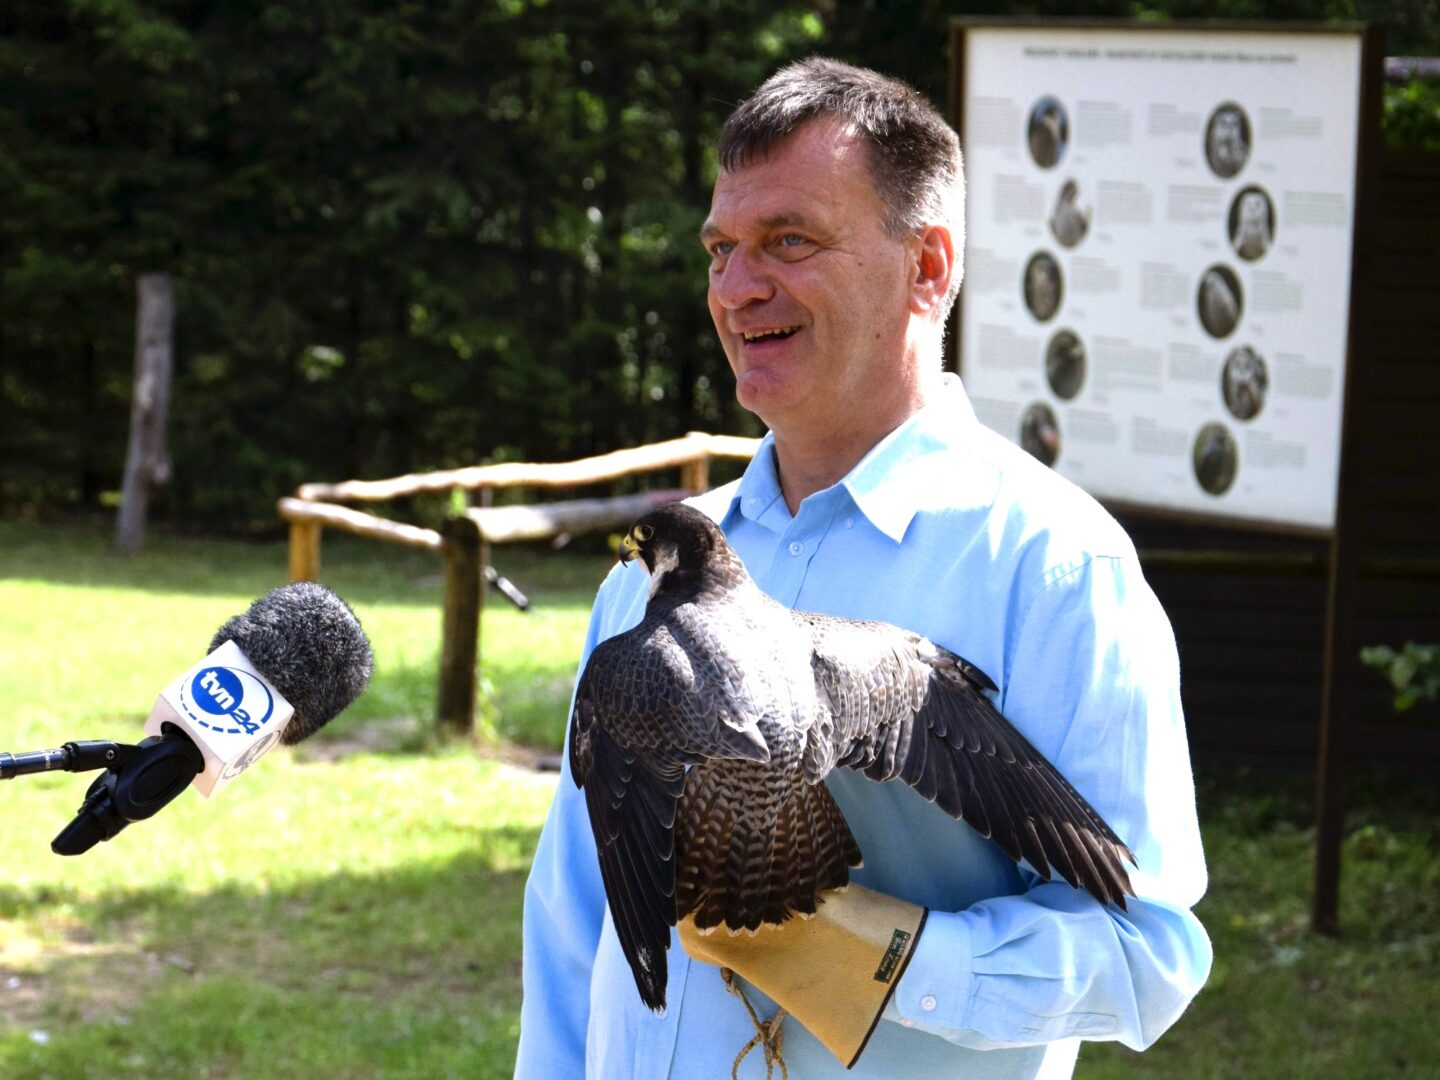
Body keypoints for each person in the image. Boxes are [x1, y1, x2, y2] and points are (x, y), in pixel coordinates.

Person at [515, 58, 1211, 1079]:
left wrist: (882, 961)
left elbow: (1147, 953)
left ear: (927, 267)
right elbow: (573, 921)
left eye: (788, 242)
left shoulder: (1053, 565)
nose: (738, 288)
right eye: (721, 250)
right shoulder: (649, 576)